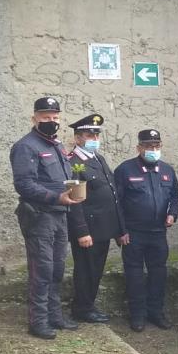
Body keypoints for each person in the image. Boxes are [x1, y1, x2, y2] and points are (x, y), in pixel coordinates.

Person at [10, 96, 83, 339]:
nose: (51, 122)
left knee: (57, 269)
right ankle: (38, 321)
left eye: (55, 118)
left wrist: (73, 191)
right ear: (34, 118)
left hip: (59, 215)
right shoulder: (26, 146)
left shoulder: (56, 145)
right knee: (42, 269)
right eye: (45, 118)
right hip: (40, 216)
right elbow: (24, 184)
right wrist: (56, 197)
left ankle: (55, 316)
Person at [114, 129, 178, 332]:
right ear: (139, 148)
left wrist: (173, 214)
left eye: (157, 146)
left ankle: (156, 313)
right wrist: (120, 230)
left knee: (158, 274)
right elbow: (116, 203)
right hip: (133, 234)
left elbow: (175, 196)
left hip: (158, 233)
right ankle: (137, 315)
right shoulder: (125, 170)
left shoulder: (167, 170)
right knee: (134, 275)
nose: (153, 150)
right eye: (149, 146)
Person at [66, 114, 123, 324]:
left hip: (103, 228)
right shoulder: (74, 162)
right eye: (90, 134)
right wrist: (81, 231)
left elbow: (112, 194)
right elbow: (75, 199)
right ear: (78, 138)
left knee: (96, 269)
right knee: (86, 270)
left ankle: (88, 304)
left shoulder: (97, 158)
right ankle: (82, 308)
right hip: (88, 229)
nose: (94, 138)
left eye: (97, 134)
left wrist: (119, 229)